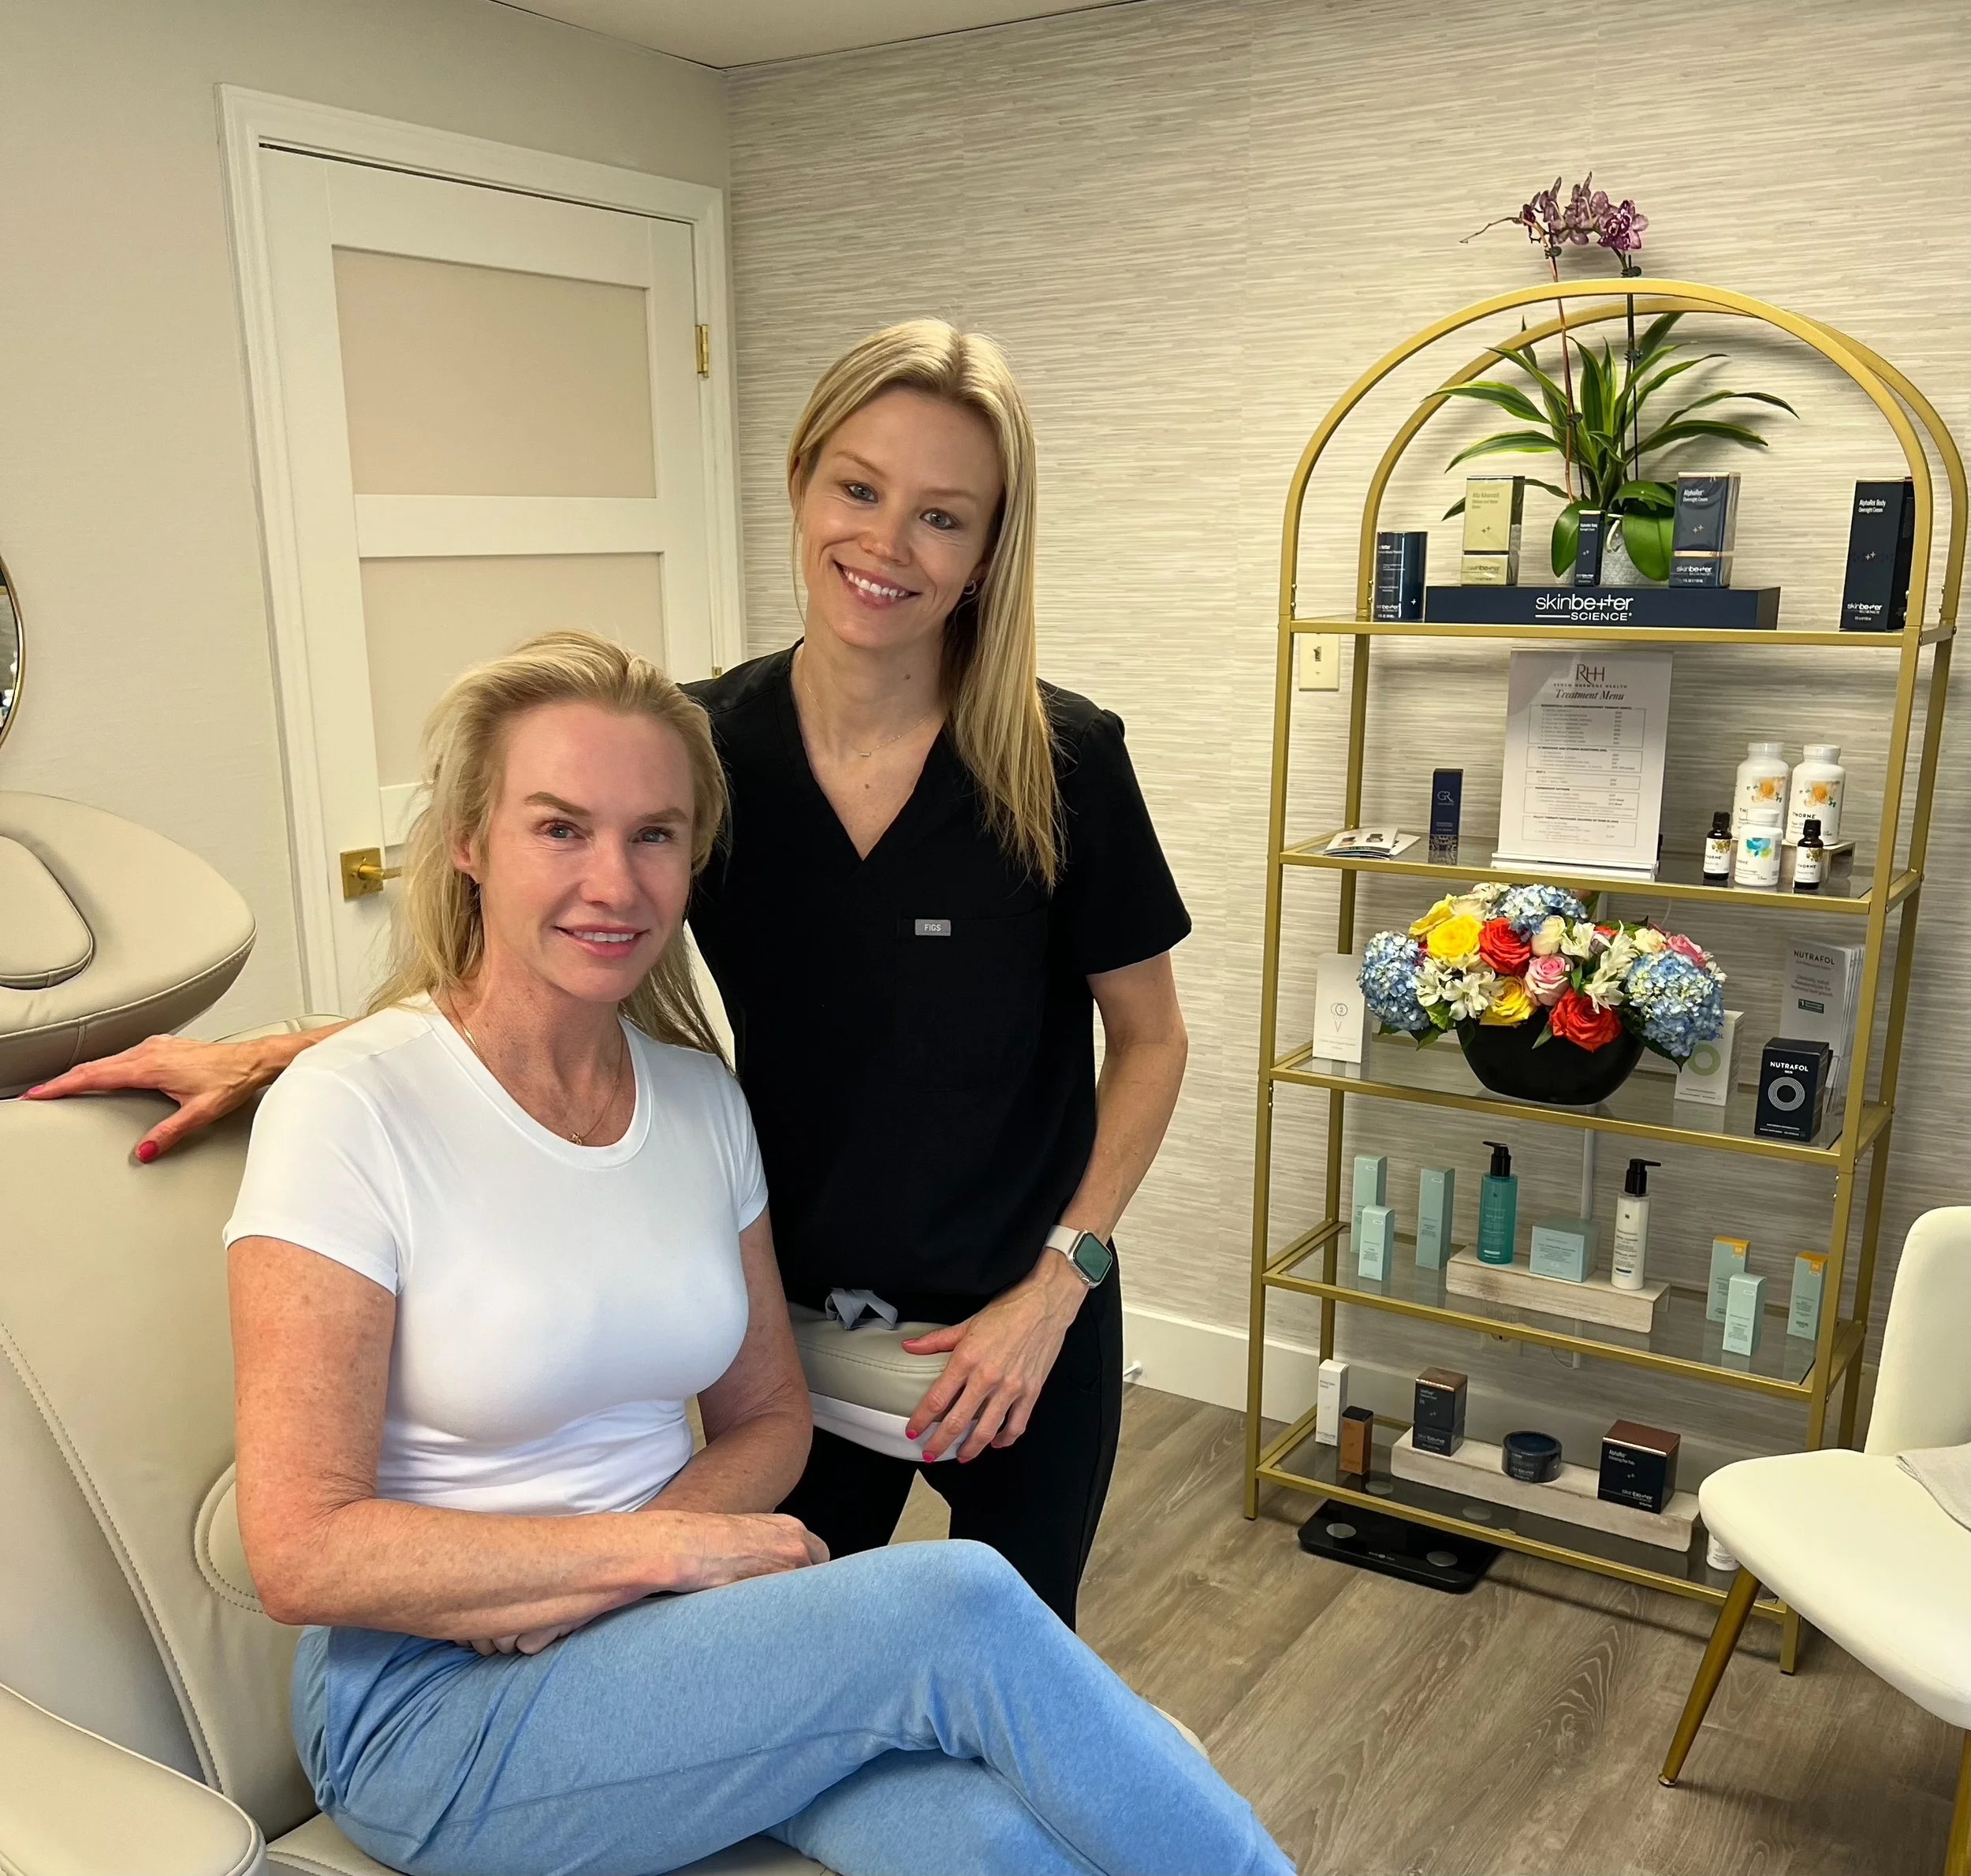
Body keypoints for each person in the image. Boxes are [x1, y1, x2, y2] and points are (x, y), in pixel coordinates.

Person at [28, 319, 1190, 1630]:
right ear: (802, 483)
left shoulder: (1063, 761)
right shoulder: (710, 752)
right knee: (765, 1668)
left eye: (942, 517)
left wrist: (1060, 1282)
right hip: (791, 1336)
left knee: (1014, 1657)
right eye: (858, 489)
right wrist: (273, 1055)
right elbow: (534, 964)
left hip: (1016, 1323)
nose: (884, 543)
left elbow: (1151, 1041)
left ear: (987, 552)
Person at [222, 634, 1289, 1876]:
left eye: (655, 835)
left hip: (658, 1636)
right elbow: (299, 1551)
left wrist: (630, 1570)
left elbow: (772, 1418)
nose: (613, 881)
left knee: (1003, 1843)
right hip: (433, 1707)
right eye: (560, 828)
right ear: (470, 838)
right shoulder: (350, 1107)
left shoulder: (698, 1104)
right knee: (961, 1601)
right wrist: (652, 1554)